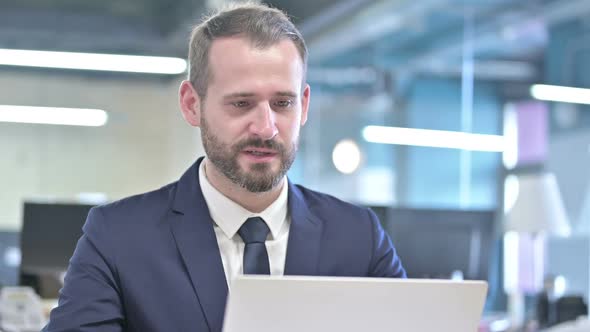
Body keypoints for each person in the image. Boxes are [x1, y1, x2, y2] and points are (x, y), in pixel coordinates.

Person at [42, 3, 406, 331]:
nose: (266, 127)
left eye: (282, 103)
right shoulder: (118, 237)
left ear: (305, 105)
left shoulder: (359, 238)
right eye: (241, 103)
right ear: (191, 105)